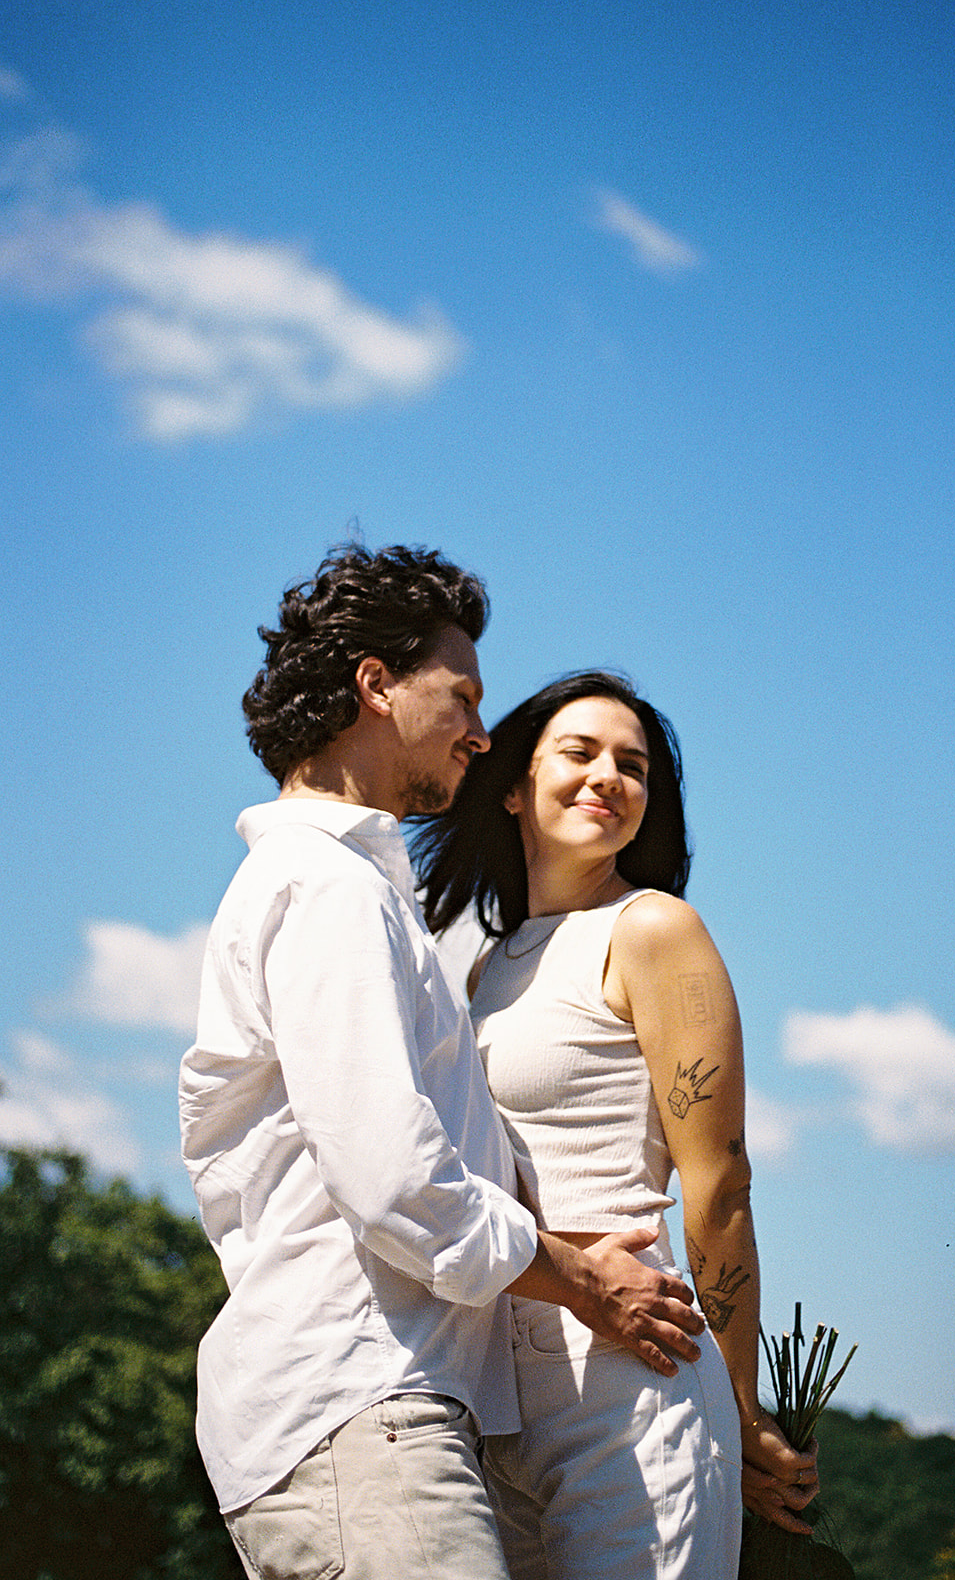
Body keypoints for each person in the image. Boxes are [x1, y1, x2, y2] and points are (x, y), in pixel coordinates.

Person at [179, 550, 704, 1580]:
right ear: (375, 686)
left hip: (367, 1413)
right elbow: (396, 1182)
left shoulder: (339, 890)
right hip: (358, 1409)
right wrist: (587, 1282)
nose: (478, 729)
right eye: (459, 694)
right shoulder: (325, 888)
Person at [415, 670, 820, 1580]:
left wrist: (744, 1405)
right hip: (497, 1389)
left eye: (633, 766)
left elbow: (720, 1179)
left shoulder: (652, 930)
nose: (608, 776)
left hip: (635, 1373)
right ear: (514, 785)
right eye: (581, 751)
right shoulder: (487, 969)